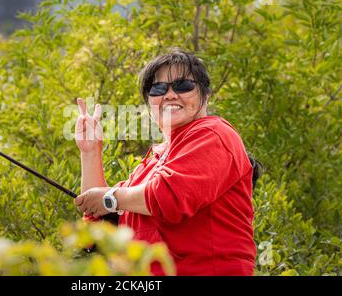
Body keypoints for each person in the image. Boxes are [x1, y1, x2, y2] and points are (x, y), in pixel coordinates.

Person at [74, 48, 260, 276]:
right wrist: (91, 152)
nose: (170, 95)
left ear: (205, 95)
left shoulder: (214, 134)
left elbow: (168, 197)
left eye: (182, 85)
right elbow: (99, 233)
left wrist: (110, 198)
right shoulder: (149, 168)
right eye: (159, 89)